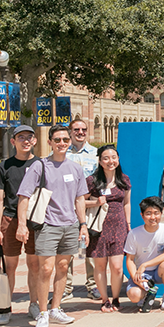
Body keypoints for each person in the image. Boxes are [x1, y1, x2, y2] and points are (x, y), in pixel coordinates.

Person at [16, 125, 89, 327]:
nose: (62, 144)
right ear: (49, 142)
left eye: (65, 140)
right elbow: (23, 196)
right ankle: (42, 312)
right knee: (45, 269)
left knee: (63, 268)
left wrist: (83, 225)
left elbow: (79, 199)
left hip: (70, 225)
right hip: (48, 225)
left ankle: (56, 308)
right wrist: (22, 225)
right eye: (57, 140)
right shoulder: (40, 166)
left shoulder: (75, 168)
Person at [0, 125, 41, 325]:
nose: (25, 141)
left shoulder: (41, 165)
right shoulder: (5, 166)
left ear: (35, 141)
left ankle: (34, 304)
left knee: (34, 265)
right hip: (10, 220)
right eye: (21, 137)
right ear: (13, 142)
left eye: (29, 137)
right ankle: (5, 307)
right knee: (9, 266)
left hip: (34, 220)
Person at [85, 145, 131, 313]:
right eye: (106, 158)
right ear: (100, 161)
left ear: (118, 160)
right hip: (98, 227)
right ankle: (105, 300)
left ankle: (116, 297)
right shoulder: (91, 181)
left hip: (118, 225)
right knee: (100, 265)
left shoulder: (124, 179)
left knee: (117, 266)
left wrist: (128, 224)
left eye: (113, 157)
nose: (110, 161)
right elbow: (80, 202)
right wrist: (96, 202)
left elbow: (126, 203)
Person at [64, 117, 100, 301]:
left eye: (83, 129)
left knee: (91, 248)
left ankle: (93, 285)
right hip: (67, 207)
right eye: (76, 129)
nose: (80, 132)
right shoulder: (63, 153)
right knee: (68, 248)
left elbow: (100, 179)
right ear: (71, 132)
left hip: (90, 207)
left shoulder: (95, 154)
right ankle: (66, 287)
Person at [124, 197, 164, 311]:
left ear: (161, 214)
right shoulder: (134, 233)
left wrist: (145, 265)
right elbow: (129, 260)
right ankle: (145, 295)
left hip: (159, 270)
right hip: (142, 273)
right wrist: (135, 278)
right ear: (142, 215)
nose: (153, 217)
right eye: (148, 213)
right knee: (134, 296)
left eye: (156, 213)